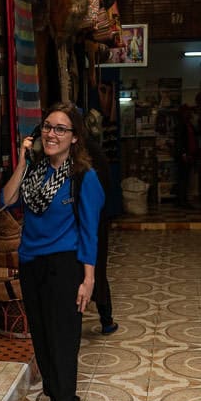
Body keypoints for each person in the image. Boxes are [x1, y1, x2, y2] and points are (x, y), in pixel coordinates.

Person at [3, 103, 104, 401]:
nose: (52, 134)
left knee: (63, 337)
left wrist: (88, 279)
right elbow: (7, 199)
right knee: (42, 336)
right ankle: (53, 398)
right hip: (32, 263)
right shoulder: (34, 171)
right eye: (47, 127)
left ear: (74, 138)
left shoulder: (83, 178)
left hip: (65, 265)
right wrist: (22, 161)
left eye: (61, 129)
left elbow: (90, 231)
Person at [82, 132, 116, 335]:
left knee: (95, 271)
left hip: (93, 221)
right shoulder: (92, 149)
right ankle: (107, 320)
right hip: (97, 220)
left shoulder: (84, 154)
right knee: (99, 271)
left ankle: (106, 319)